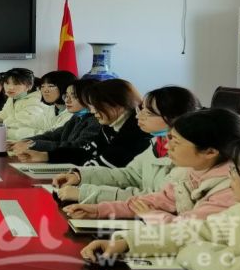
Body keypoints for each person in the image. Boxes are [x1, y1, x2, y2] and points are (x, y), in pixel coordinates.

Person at [81, 133, 240, 270]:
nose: (231, 178)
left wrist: (191, 253)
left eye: (238, 171)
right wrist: (126, 242)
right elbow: (200, 230)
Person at [64, 108, 240, 224]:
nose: (167, 147)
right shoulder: (188, 172)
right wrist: (99, 210)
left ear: (210, 151)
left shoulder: (232, 189)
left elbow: (192, 229)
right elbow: (155, 200)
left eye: (175, 142)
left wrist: (153, 215)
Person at [53, 86, 199, 203]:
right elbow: (130, 175)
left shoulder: (187, 155)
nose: (138, 116)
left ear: (175, 117)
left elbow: (155, 198)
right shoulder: (157, 142)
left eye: (148, 113)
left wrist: (86, 193)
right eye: (141, 109)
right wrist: (81, 177)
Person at [15, 78, 150, 167]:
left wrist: (78, 176)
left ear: (116, 105)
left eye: (95, 105)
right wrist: (45, 155)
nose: (92, 110)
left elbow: (108, 164)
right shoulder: (109, 126)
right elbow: (84, 151)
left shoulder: (135, 131)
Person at [9, 78, 99, 154]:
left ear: (90, 98)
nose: (67, 100)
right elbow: (53, 136)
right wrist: (25, 141)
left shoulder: (95, 121)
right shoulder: (77, 117)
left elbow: (77, 147)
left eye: (74, 96)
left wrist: (32, 144)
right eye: (66, 96)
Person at [0, 68, 50, 140]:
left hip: (32, 140)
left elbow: (20, 123)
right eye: (7, 83)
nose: (10, 87)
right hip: (13, 137)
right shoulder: (14, 97)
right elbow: (5, 113)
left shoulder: (37, 100)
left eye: (16, 84)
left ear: (29, 86)